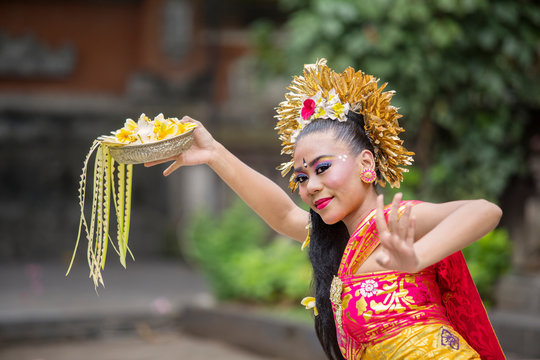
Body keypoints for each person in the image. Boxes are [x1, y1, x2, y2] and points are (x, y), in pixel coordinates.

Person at [146, 59, 505, 359]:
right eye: (301, 177)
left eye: (322, 168)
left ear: (367, 164)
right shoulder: (338, 243)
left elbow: (483, 210)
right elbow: (283, 215)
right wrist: (214, 155)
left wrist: (417, 258)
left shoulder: (392, 223)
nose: (311, 186)